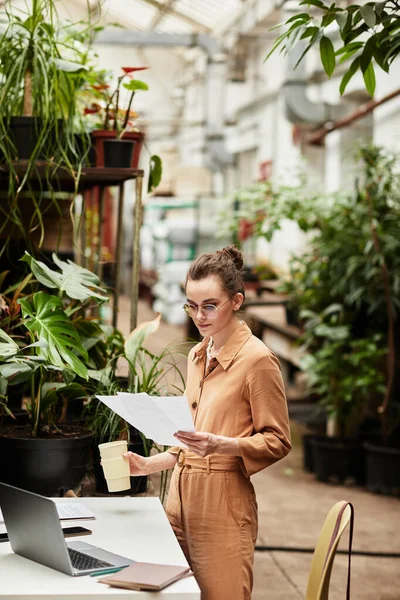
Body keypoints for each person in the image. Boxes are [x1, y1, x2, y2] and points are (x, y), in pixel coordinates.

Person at [124, 246, 291, 600]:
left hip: (224, 511)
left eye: (209, 305)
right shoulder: (197, 355)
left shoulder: (258, 361)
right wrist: (148, 465)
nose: (199, 315)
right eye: (191, 305)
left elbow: (277, 440)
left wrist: (224, 444)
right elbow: (189, 439)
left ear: (236, 301)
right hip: (177, 504)